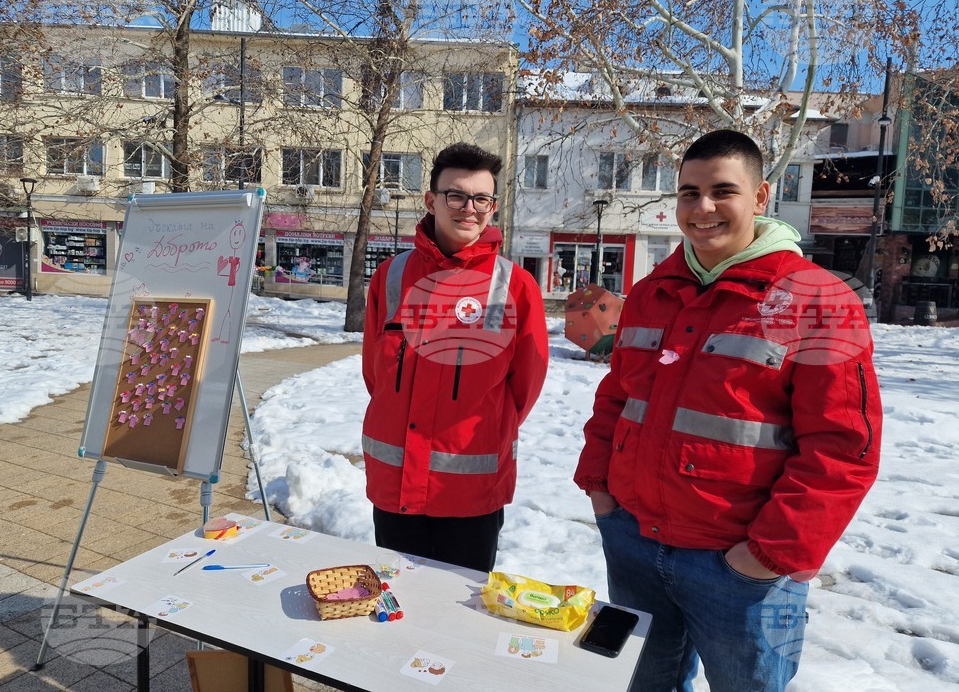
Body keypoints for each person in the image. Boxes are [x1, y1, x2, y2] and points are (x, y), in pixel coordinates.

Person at [575, 129, 882, 691]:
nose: (703, 208)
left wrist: (767, 554)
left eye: (723, 191)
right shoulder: (650, 292)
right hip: (634, 539)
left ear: (762, 197)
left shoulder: (817, 302)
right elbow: (618, 397)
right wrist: (600, 486)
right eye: (689, 193)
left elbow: (844, 448)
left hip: (740, 567)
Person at [361, 142, 549, 572]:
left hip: (471, 493)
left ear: (494, 206)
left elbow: (523, 389)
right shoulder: (391, 276)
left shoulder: (515, 286)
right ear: (431, 200)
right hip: (395, 486)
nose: (470, 208)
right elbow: (375, 372)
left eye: (482, 198)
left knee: (458, 621)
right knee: (394, 603)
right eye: (457, 195)